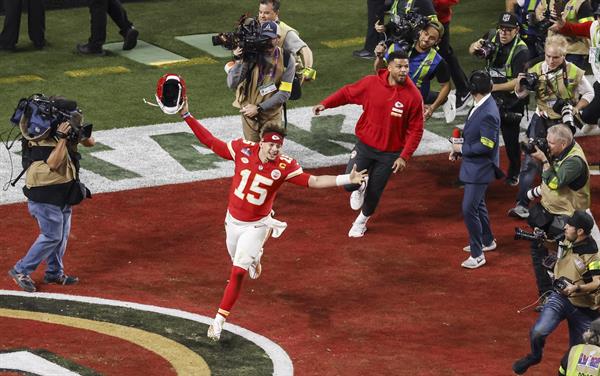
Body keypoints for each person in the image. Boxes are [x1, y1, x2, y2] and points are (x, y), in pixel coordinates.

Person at [178, 100, 367, 341]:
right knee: (238, 260)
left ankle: (218, 321)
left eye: (279, 146)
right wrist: (187, 116)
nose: (275, 150)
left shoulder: (285, 166)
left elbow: (314, 181)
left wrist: (345, 179)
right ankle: (256, 257)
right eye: (271, 145)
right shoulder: (242, 149)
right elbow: (210, 141)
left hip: (257, 224)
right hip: (232, 221)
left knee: (237, 273)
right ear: (261, 143)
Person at [313, 50, 424, 238]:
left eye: (406, 66)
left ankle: (361, 221)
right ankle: (359, 186)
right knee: (349, 184)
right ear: (388, 67)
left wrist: (404, 156)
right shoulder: (371, 83)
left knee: (375, 191)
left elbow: (416, 130)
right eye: (399, 66)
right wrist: (326, 104)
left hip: (390, 153)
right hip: (365, 145)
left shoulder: (413, 96)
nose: (404, 70)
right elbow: (347, 93)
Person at [8, 98, 95, 293]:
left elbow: (90, 143)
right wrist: (63, 138)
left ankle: (54, 272)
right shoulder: (41, 135)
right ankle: (20, 270)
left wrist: (78, 130)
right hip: (44, 194)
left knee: (61, 235)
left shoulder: (65, 129)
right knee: (51, 235)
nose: (76, 115)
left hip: (63, 192)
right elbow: (54, 163)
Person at [508, 34, 593, 219]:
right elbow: (521, 95)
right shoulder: (536, 69)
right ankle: (522, 204)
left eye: (556, 57)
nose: (551, 60)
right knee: (530, 162)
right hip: (541, 119)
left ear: (564, 56)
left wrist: (576, 109)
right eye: (548, 56)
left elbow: (589, 93)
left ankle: (560, 204)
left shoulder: (574, 71)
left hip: (563, 124)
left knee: (561, 165)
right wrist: (520, 84)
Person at [513, 210, 600, 375]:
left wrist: (576, 288)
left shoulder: (593, 256)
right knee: (538, 332)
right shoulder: (569, 239)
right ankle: (535, 356)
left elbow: (597, 282)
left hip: (585, 309)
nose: (565, 227)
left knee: (576, 352)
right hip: (561, 298)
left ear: (580, 231)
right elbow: (557, 246)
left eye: (570, 225)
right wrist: (542, 241)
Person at [518, 124, 592, 313]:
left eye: (551, 143)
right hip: (548, 212)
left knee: (567, 262)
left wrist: (544, 159)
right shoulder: (560, 151)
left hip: (567, 218)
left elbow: (554, 182)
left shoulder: (574, 161)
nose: (547, 146)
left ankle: (580, 300)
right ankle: (546, 296)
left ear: (563, 143)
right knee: (538, 250)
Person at [468, 12, 530, 186]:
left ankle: (514, 171)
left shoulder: (521, 51)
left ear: (516, 30)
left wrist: (492, 87)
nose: (503, 33)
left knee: (510, 139)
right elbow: (471, 50)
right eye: (501, 29)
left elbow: (518, 83)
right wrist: (475, 45)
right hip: (489, 96)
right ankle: (478, 170)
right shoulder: (492, 35)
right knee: (478, 134)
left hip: (511, 100)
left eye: (508, 30)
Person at [449, 70, 501, 269]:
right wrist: (459, 149)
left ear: (472, 89)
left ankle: (477, 254)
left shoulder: (487, 111)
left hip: (480, 168)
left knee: (469, 208)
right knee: (478, 206)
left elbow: (486, 146)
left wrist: (460, 148)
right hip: (475, 165)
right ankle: (488, 240)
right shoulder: (483, 103)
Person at [227, 20, 295, 142]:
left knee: (271, 150)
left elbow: (285, 93)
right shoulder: (251, 55)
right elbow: (232, 83)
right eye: (264, 38)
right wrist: (238, 60)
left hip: (272, 114)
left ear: (278, 39)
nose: (267, 42)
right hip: (249, 114)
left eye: (271, 38)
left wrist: (258, 108)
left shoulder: (287, 59)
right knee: (253, 154)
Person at [374, 20, 452, 121]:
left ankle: (442, 99)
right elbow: (379, 71)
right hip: (390, 93)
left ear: (437, 41)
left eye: (432, 38)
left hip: (413, 101)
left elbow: (446, 85)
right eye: (425, 34)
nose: (426, 39)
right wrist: (379, 57)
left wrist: (432, 108)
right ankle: (441, 98)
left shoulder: (437, 61)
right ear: (420, 32)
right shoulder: (398, 47)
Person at [551, 5, 600, 129]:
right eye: (599, 16)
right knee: (588, 117)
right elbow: (572, 29)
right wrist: (562, 23)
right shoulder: (594, 27)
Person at [257, 0, 316, 82]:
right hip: (266, 77)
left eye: (266, 13)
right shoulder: (257, 26)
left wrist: (308, 70)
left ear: (277, 13)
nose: (262, 16)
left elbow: (305, 49)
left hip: (284, 81)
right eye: (260, 12)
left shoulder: (284, 31)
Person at [433, 0, 472, 110]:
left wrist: (431, 4)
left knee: (444, 54)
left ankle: (464, 89)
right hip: (418, 19)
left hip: (438, 21)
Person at [545, 0, 594, 68]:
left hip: (574, 51)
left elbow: (588, 31)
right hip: (554, 50)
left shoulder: (582, 3)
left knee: (570, 77)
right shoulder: (552, 1)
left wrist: (562, 28)